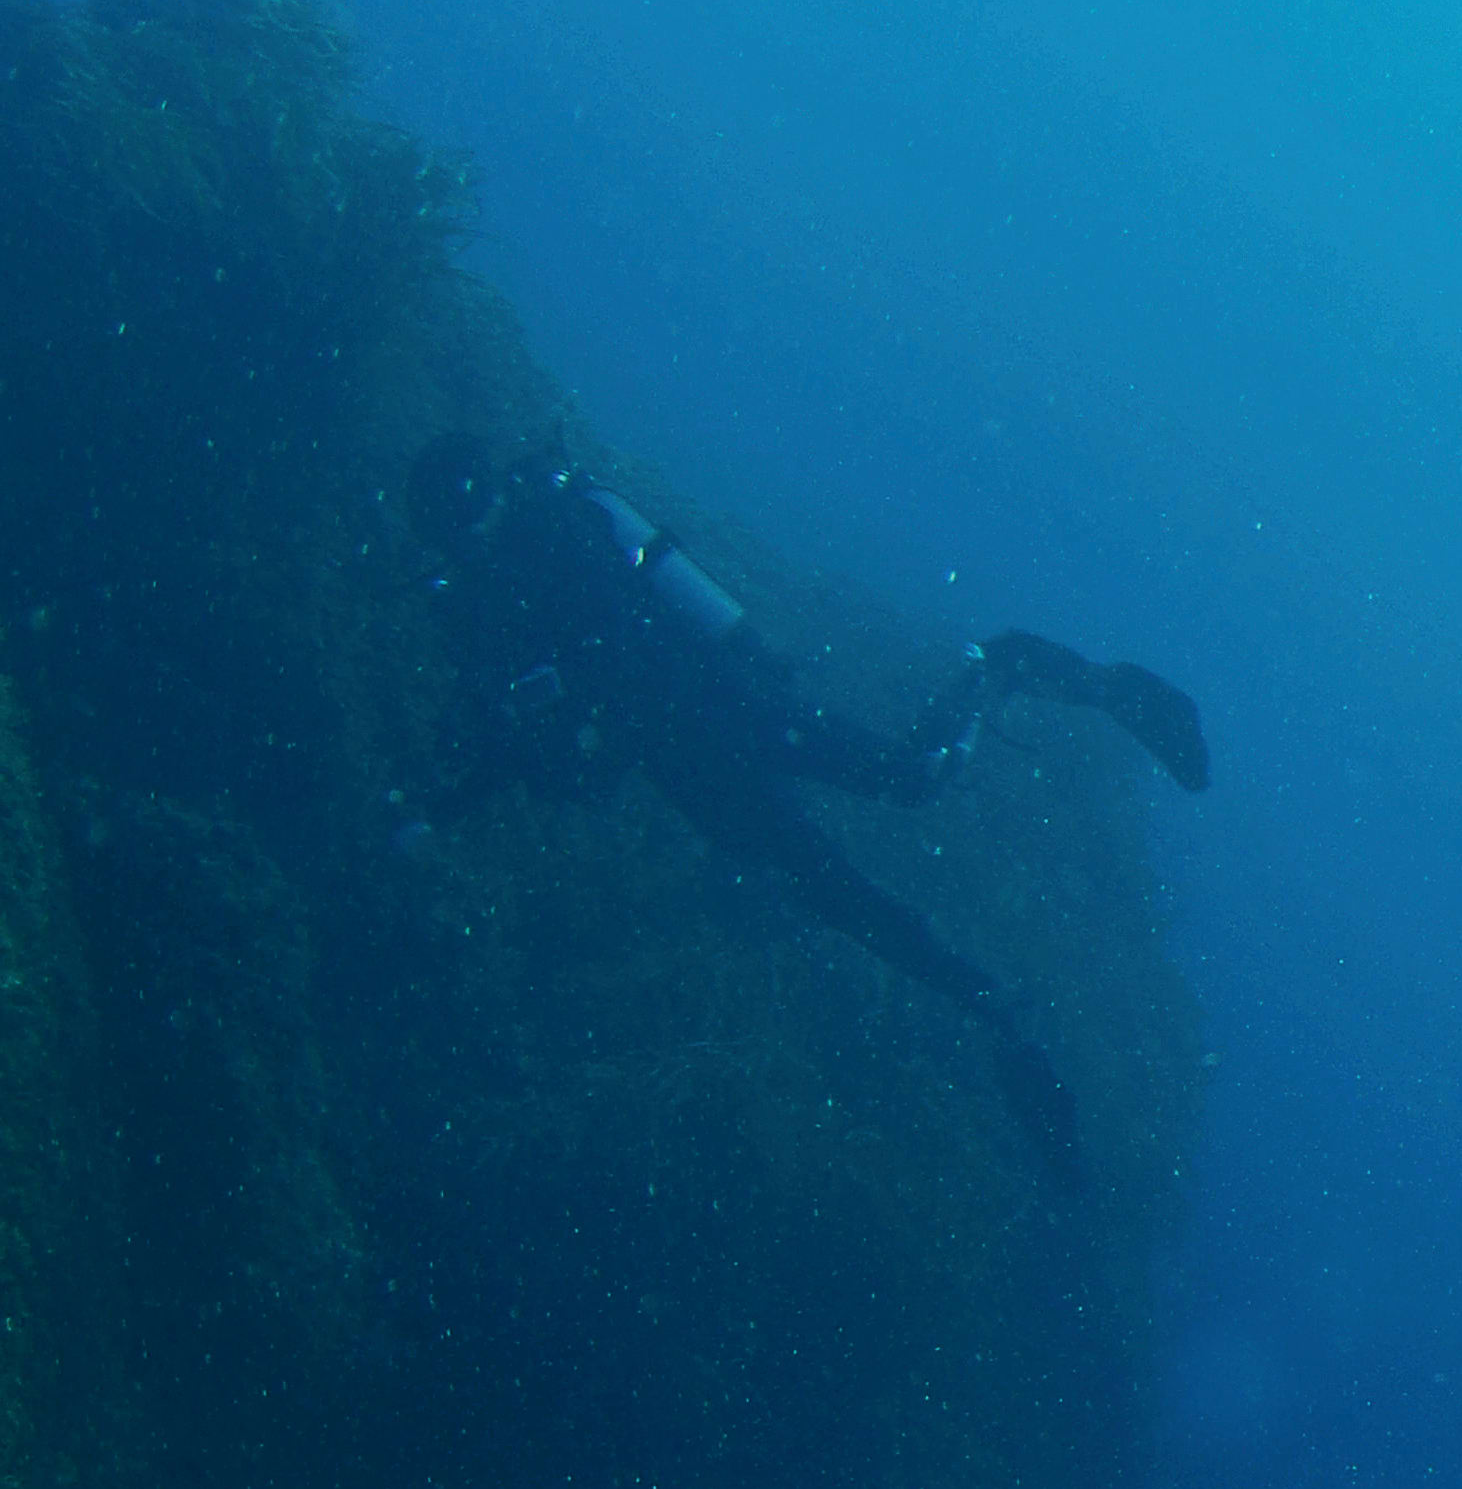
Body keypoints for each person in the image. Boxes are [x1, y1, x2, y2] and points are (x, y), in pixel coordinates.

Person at [399, 434, 1210, 1181]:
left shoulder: (555, 535)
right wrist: (440, 809)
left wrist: (550, 725)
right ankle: (1000, 1013)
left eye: (466, 522)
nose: (466, 543)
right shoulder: (490, 599)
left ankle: (1012, 663)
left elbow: (609, 666)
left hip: (729, 709)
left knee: (911, 779)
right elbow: (525, 735)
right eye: (453, 535)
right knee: (838, 898)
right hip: (693, 771)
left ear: (484, 500)